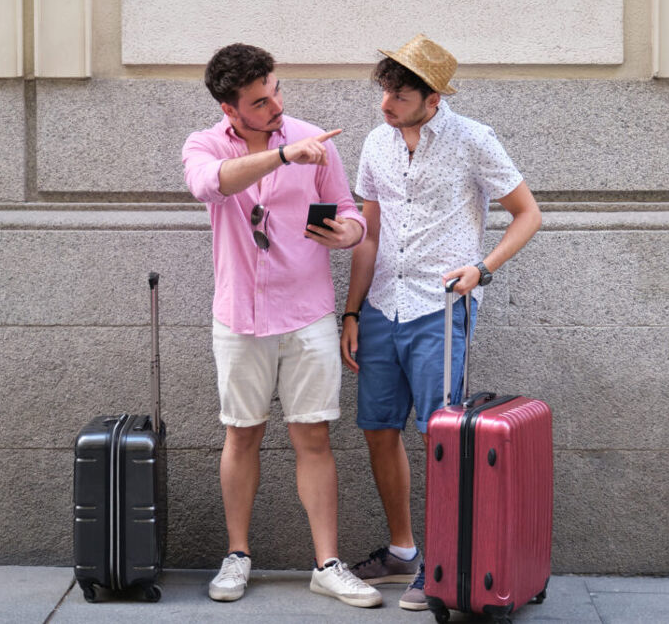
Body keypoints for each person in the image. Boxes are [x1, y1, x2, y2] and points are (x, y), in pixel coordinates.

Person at [340, 34, 541, 611]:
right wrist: (351, 310)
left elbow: (529, 214)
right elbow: (370, 233)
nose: (385, 104)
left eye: (399, 94)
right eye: (384, 90)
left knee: (441, 437)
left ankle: (444, 565)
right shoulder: (377, 143)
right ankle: (404, 551)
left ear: (431, 98)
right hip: (381, 305)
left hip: (440, 306)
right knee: (378, 427)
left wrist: (482, 268)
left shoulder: (473, 139)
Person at [183, 43, 382, 608]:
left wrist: (349, 233)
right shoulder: (203, 146)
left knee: (312, 436)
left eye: (275, 92)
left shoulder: (313, 140)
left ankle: (327, 563)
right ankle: (238, 555)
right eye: (259, 101)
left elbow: (348, 210)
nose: (274, 106)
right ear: (230, 109)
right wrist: (285, 157)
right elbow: (211, 184)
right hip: (239, 315)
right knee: (242, 433)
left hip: (308, 313)